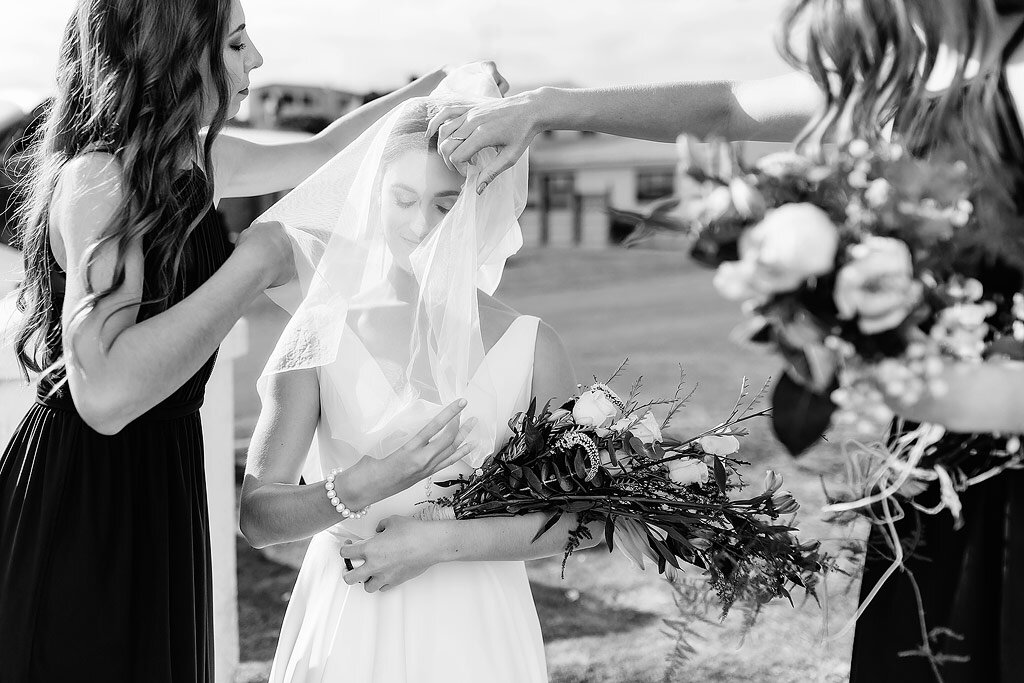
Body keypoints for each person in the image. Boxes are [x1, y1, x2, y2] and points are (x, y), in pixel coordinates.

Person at [428, 1, 1024, 680]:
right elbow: (730, 107)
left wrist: (991, 399)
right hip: (943, 457)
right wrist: (543, 107)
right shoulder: (905, 84)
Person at [0, 1, 505, 679]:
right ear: (178, 53)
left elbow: (328, 151)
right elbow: (107, 394)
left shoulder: (194, 162)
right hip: (88, 496)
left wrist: (443, 85)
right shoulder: (99, 182)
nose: (257, 61)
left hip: (163, 476)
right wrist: (252, 266)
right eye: (237, 43)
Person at [240, 69, 599, 683]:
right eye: (403, 199)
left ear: (482, 201)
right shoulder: (318, 331)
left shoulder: (532, 345)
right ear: (373, 196)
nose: (421, 225)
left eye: (446, 202)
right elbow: (259, 515)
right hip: (351, 616)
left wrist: (440, 541)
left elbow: (582, 520)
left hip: (478, 631)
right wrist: (362, 485)